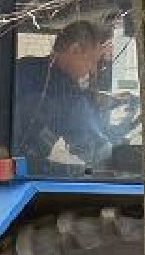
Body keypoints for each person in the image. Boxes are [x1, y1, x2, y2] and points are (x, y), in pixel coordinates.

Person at [11, 19, 134, 172]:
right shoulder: (66, 92)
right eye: (92, 61)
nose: (92, 70)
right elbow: (94, 146)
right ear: (75, 50)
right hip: (29, 170)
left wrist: (112, 100)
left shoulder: (24, 67)